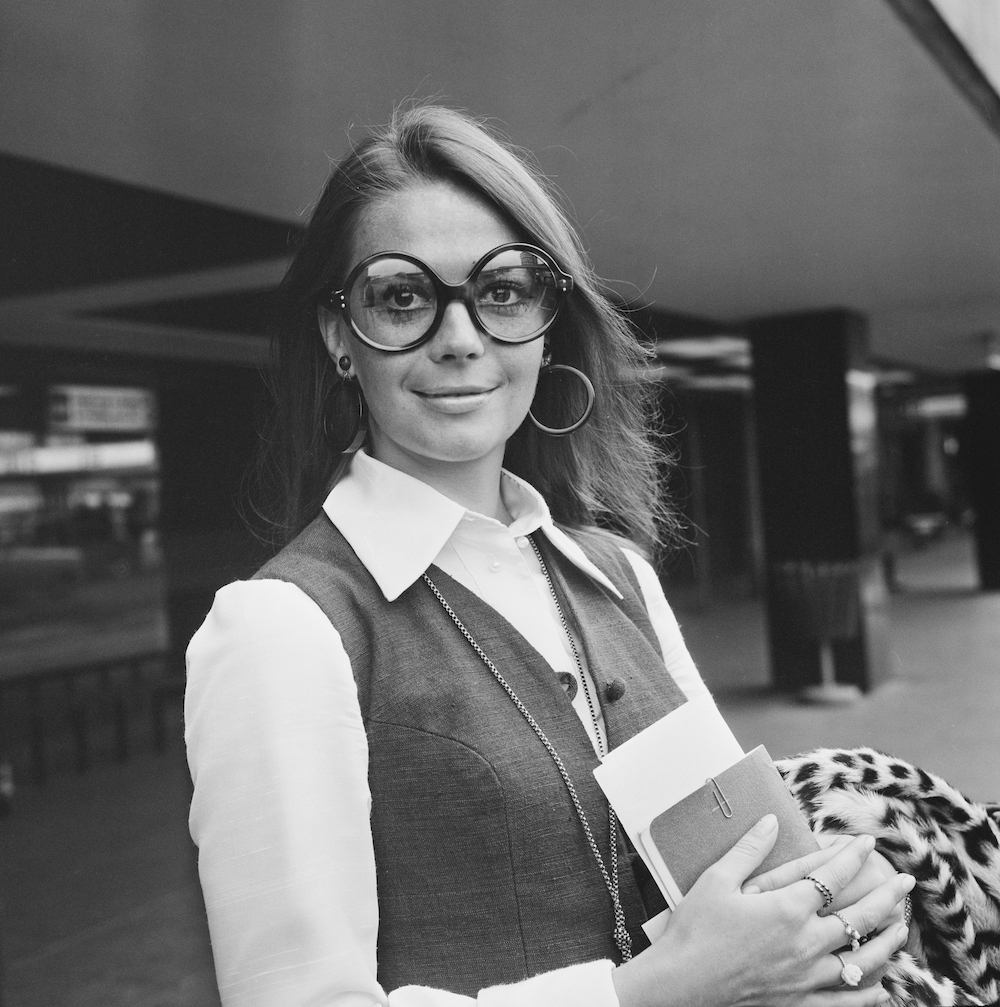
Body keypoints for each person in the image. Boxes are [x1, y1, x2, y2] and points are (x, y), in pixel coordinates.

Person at [184, 105, 914, 1007]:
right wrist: (656, 987)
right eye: (401, 296)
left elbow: (735, 872)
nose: (459, 337)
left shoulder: (619, 573)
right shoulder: (282, 627)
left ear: (545, 321)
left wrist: (831, 907)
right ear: (339, 335)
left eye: (502, 290)